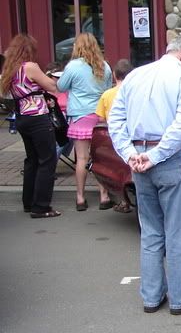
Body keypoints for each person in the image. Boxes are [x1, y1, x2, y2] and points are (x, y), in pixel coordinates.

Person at [107, 34, 181, 315]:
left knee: (151, 231)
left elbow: (115, 119)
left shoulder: (134, 76)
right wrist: (153, 156)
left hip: (140, 159)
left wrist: (131, 154)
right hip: (166, 159)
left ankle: (152, 297)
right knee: (180, 231)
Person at [0, 34, 61, 218]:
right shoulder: (30, 67)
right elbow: (51, 86)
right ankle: (41, 206)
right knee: (47, 160)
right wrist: (53, 77)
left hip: (22, 117)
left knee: (32, 160)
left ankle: (28, 202)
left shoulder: (10, 69)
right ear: (28, 50)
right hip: (37, 117)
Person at [57, 33, 113, 211]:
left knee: (81, 158)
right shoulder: (104, 66)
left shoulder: (73, 66)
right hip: (99, 116)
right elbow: (107, 90)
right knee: (99, 157)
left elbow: (61, 87)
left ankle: (80, 198)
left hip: (80, 116)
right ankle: (104, 196)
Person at [95, 58, 133, 213]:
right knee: (125, 168)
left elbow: (101, 118)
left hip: (113, 136)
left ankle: (104, 195)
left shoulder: (107, 94)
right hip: (129, 135)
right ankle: (127, 200)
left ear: (115, 75)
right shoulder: (133, 92)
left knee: (108, 166)